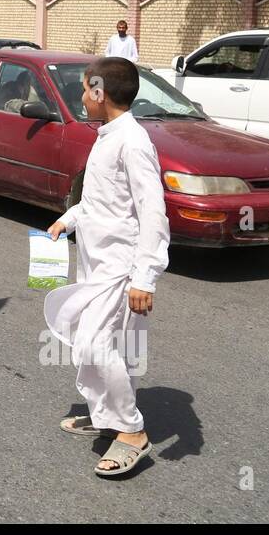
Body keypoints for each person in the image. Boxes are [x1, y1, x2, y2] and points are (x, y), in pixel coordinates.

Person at [45, 57, 169, 478]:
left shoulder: (133, 141)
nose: (81, 96)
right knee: (90, 341)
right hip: (95, 262)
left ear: (100, 92)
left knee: (95, 345)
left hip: (120, 266)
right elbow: (100, 199)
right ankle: (105, 416)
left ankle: (132, 432)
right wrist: (69, 219)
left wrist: (145, 277)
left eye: (84, 88)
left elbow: (153, 210)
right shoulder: (106, 136)